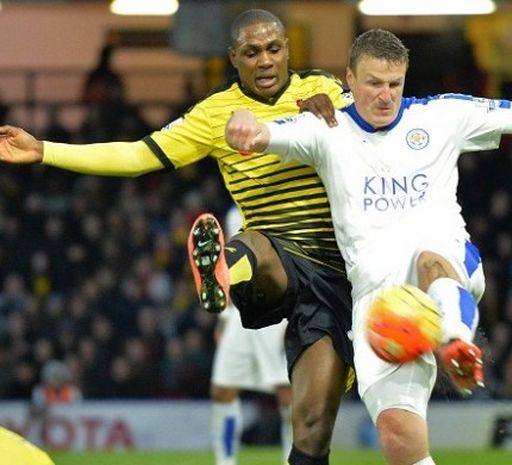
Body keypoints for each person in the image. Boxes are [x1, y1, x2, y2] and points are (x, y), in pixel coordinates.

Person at [223, 29, 512, 465]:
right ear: (350, 79)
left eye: (395, 84)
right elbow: (261, 131)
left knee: (429, 259)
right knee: (399, 438)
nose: (386, 95)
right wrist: (243, 125)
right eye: (374, 84)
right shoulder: (325, 129)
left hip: (446, 268)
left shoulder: (442, 115)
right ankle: (445, 350)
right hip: (379, 306)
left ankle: (458, 345)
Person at [0, 9, 353, 465]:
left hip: (337, 269)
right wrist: (45, 150)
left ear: (287, 49)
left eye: (273, 48)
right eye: (251, 52)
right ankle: (224, 268)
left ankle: (228, 267)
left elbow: (380, 127)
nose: (264, 60)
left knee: (311, 429)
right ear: (233, 58)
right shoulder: (214, 115)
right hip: (276, 255)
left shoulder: (322, 91)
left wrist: (343, 115)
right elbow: (136, 155)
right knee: (258, 244)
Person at [210, 205, 292, 465]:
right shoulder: (234, 214)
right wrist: (224, 319)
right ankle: (226, 461)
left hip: (276, 310)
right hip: (240, 313)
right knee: (222, 390)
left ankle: (294, 459)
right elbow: (228, 269)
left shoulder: (284, 207)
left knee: (287, 394)